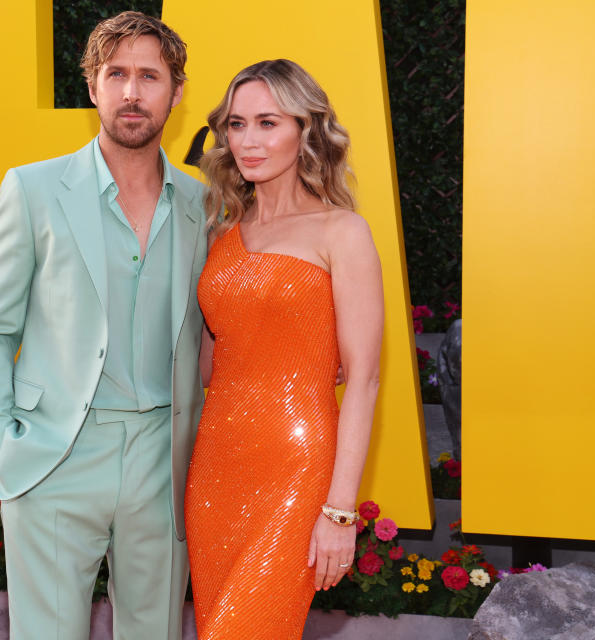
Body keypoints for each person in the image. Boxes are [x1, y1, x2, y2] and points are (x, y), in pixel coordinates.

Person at [0, 12, 207, 640]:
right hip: (55, 455)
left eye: (149, 76)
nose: (133, 92)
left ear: (175, 93)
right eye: (116, 74)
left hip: (163, 456)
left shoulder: (206, 203)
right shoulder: (34, 189)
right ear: (93, 88)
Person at [184, 59, 384, 639]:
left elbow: (365, 379)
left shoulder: (341, 232)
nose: (248, 140)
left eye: (268, 122)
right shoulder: (222, 233)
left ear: (306, 131)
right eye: (237, 124)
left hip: (296, 470)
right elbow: (208, 364)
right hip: (216, 470)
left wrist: (340, 512)